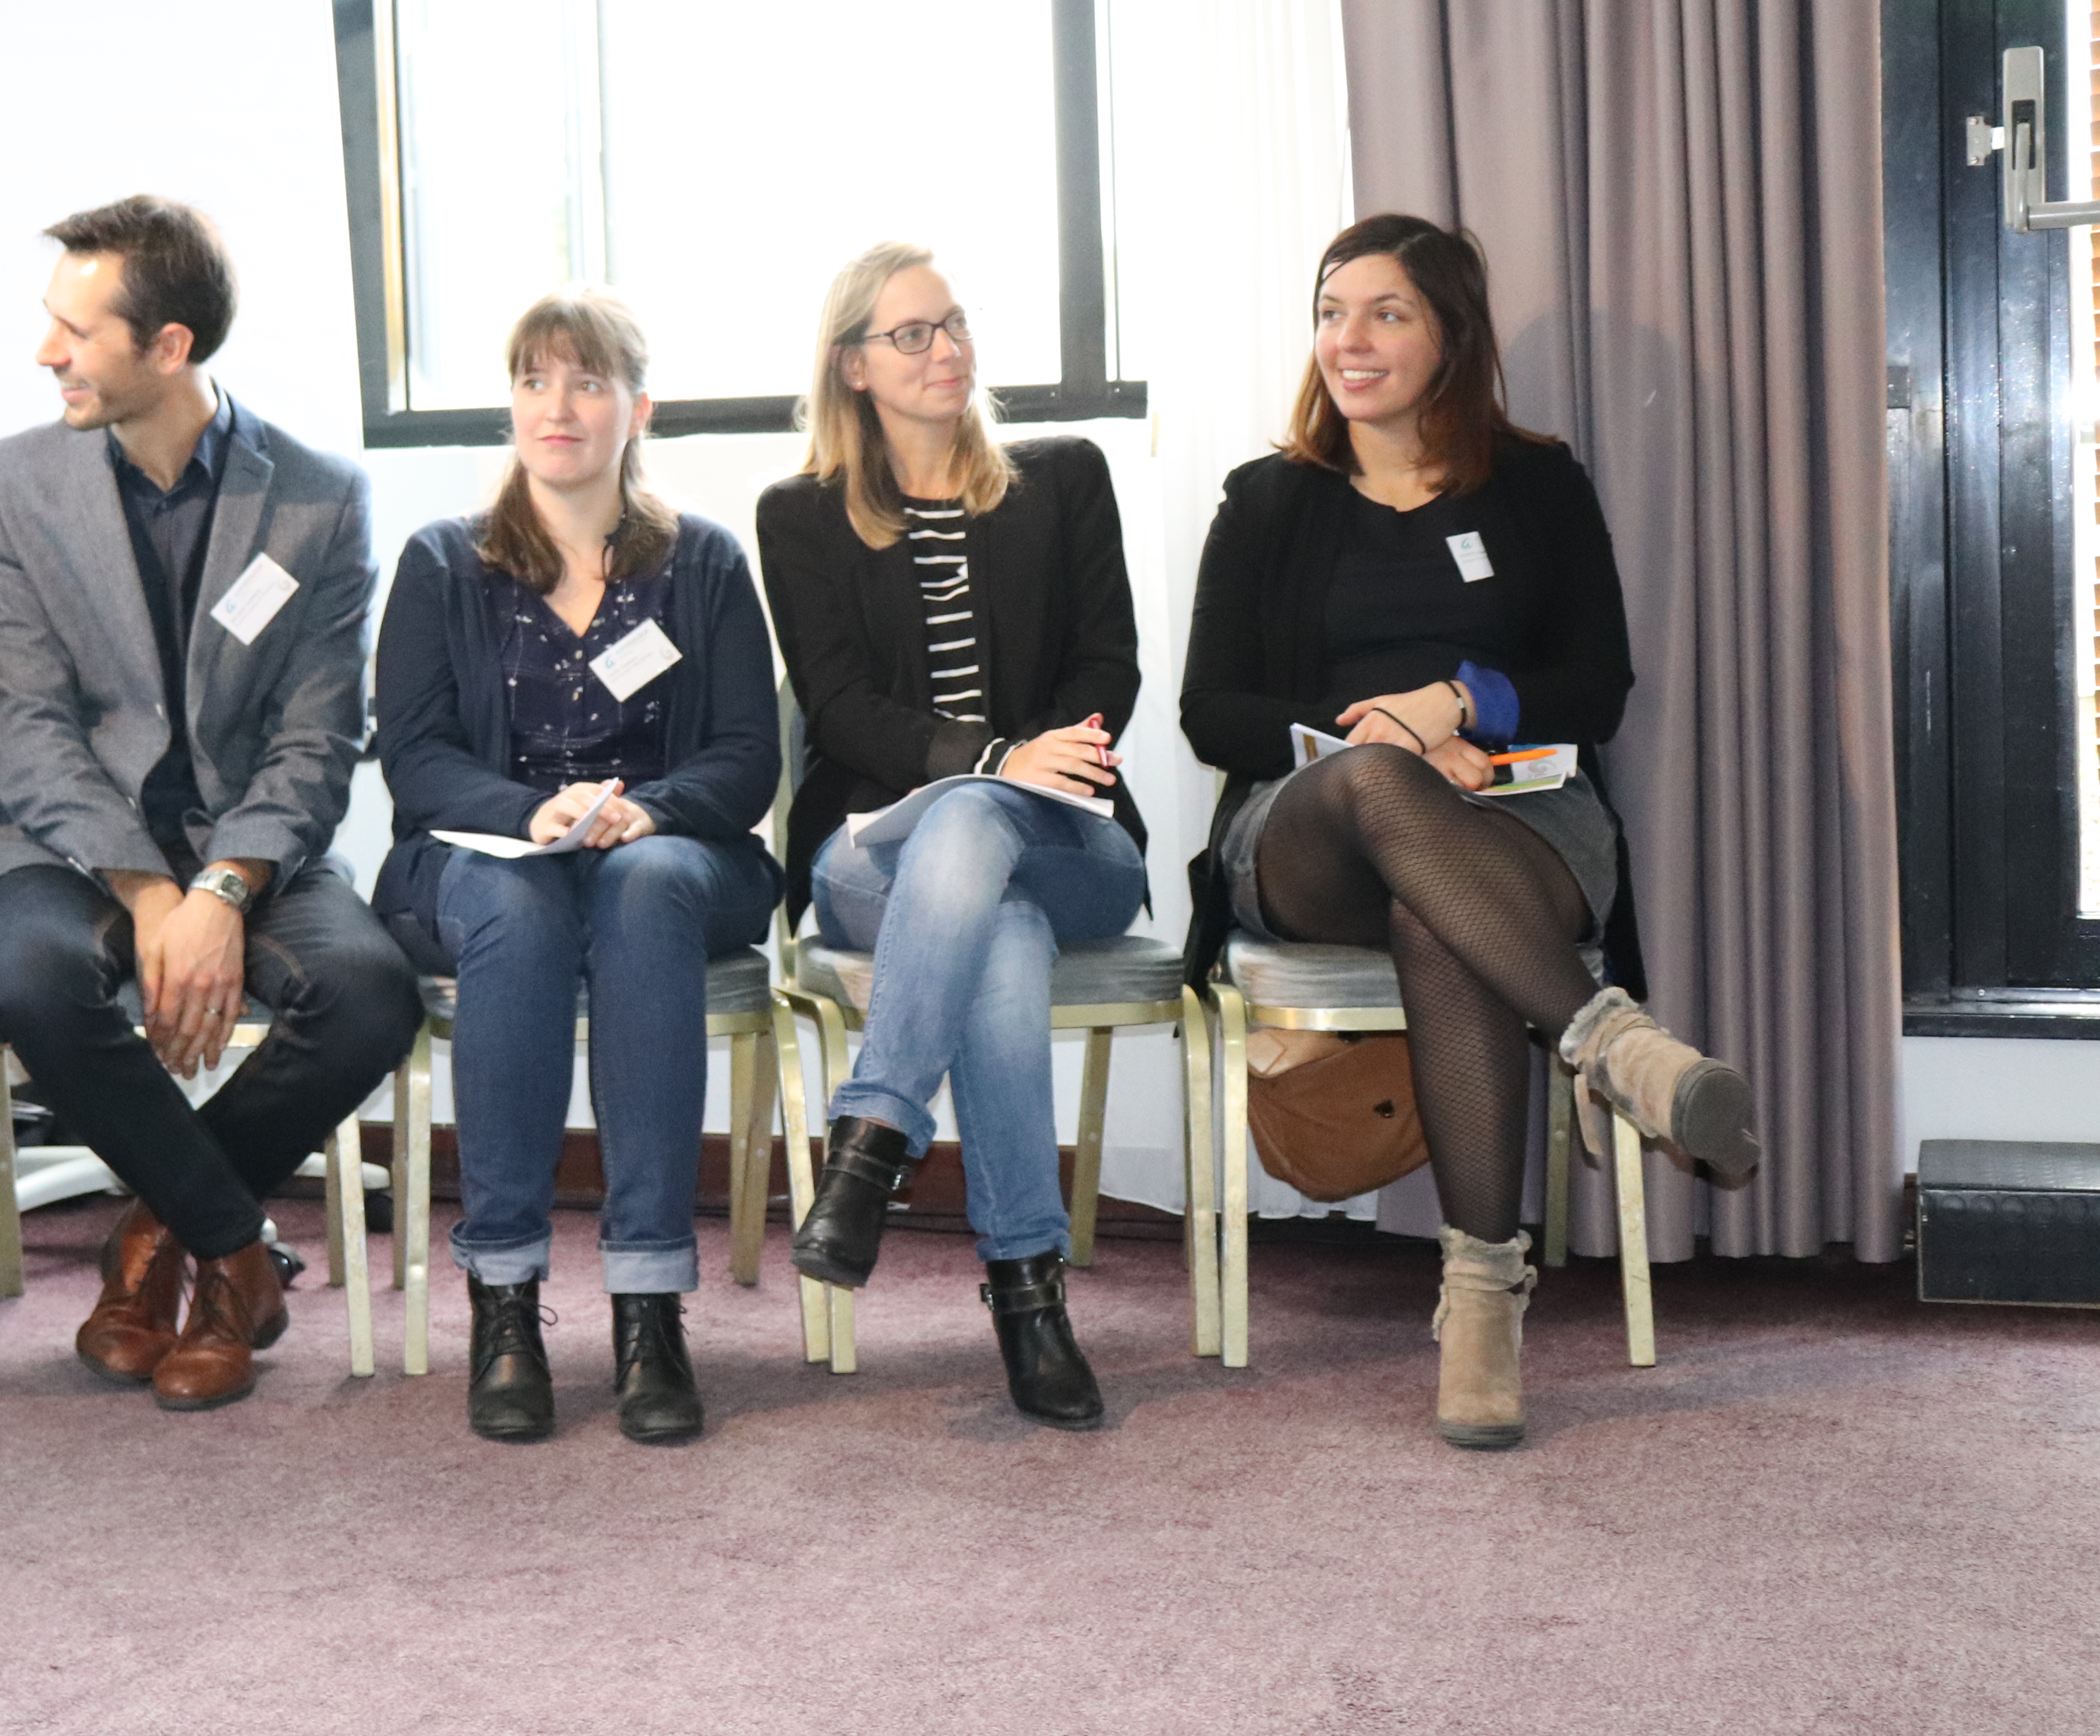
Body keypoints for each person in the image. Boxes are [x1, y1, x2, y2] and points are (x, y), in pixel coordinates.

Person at [1178, 212, 1758, 1451]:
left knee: (1436, 914)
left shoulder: (1537, 482)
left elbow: (1596, 683)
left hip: (1521, 803)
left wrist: (1462, 703)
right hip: (1316, 818)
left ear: (1450, 336)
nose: (1352, 337)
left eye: (1387, 312)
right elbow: (1210, 709)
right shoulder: (1270, 499)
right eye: (1334, 310)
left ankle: (1483, 1299)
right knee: (1389, 794)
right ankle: (1616, 1044)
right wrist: (1373, 734)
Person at [0, 195, 423, 1412]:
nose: (46, 351)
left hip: (250, 847)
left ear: (168, 348)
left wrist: (223, 885)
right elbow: (27, 725)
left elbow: (318, 737)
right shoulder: (11, 484)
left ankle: (154, 1240)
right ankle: (234, 1252)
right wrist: (150, 889)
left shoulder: (318, 498)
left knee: (372, 993)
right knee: (34, 984)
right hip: (69, 849)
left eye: (75, 328)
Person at [371, 290, 780, 1446]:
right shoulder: (444, 560)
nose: (561, 406)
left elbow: (750, 752)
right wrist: (530, 808)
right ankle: (506, 1301)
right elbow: (416, 757)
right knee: (517, 898)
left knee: (643, 894)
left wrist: (647, 812)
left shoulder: (703, 561)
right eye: (537, 380)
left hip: (667, 851)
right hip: (487, 855)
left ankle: (650, 1304)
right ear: (512, 404)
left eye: (589, 381)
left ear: (635, 408)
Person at [755, 242, 1148, 1429]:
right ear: (853, 366)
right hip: (876, 854)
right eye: (914, 332)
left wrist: (1021, 772)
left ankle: (871, 1142)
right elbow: (842, 711)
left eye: (957, 324)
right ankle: (1028, 1292)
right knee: (999, 922)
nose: (948, 350)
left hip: (1074, 837)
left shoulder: (1063, 477)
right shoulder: (801, 516)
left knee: (993, 841)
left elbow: (1108, 667)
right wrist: (988, 762)